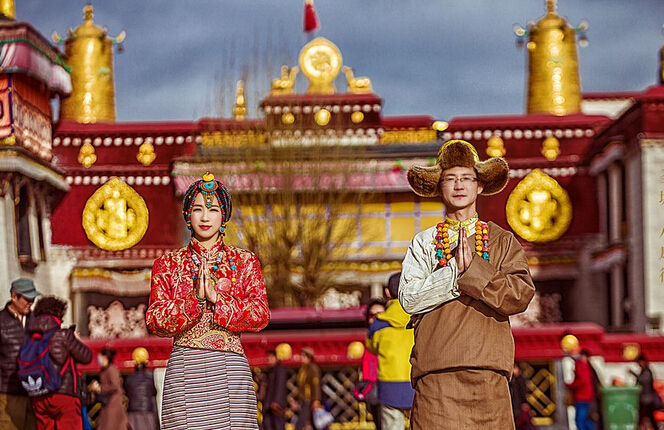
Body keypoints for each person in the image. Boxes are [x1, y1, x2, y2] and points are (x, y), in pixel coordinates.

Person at [399, 139, 536, 429]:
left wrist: (474, 270)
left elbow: (520, 295)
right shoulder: (424, 242)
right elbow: (409, 298)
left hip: (488, 371)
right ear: (439, 187)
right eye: (450, 179)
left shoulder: (502, 240)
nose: (459, 185)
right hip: (436, 373)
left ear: (480, 186)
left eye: (466, 178)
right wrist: (453, 274)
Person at [146, 172, 270, 430]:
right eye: (198, 209)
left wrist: (218, 299)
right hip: (185, 368)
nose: (205, 217)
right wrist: (194, 301)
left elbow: (260, 314)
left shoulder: (244, 261)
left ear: (224, 215)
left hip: (230, 368)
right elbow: (155, 319)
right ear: (187, 214)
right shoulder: (168, 264)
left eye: (213, 210)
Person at [26, 296, 93, 430]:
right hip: (63, 394)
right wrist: (75, 340)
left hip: (38, 395)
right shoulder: (64, 335)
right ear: (59, 314)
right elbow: (87, 357)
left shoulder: (30, 337)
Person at [366, 274, 414, 430]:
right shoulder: (418, 318)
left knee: (392, 424)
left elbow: (371, 347)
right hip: (415, 381)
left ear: (387, 292)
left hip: (389, 384)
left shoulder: (379, 324)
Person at [0, 278, 41, 430]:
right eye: (27, 298)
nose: (31, 302)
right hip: (8, 393)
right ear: (13, 296)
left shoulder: (36, 320)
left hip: (34, 392)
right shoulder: (1, 321)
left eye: (33, 299)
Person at [354, 298, 386, 430]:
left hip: (387, 386)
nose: (375, 318)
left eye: (380, 314)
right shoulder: (369, 337)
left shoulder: (389, 335)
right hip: (372, 389)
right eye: (372, 315)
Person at [90, 348, 128, 430]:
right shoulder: (106, 369)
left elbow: (114, 385)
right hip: (108, 403)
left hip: (113, 404)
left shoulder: (111, 369)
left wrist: (100, 388)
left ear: (106, 358)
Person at [124, 347, 159, 430]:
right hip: (148, 411)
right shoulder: (150, 378)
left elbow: (127, 393)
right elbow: (154, 392)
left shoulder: (129, 379)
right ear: (146, 362)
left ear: (134, 362)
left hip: (133, 412)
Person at [566, 345, 596, 430]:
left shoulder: (580, 364)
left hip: (582, 395)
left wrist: (570, 385)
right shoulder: (585, 364)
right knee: (585, 418)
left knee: (580, 419)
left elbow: (582, 380)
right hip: (587, 394)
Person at [292, 347, 322, 430]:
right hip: (303, 398)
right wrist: (295, 398)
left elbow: (316, 386)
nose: (301, 358)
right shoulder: (303, 369)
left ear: (308, 357)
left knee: (301, 422)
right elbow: (300, 386)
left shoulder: (313, 369)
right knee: (311, 422)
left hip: (308, 399)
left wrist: (316, 400)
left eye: (303, 356)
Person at [630, 354, 659, 430]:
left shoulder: (647, 371)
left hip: (647, 399)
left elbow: (643, 380)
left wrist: (633, 374)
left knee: (646, 416)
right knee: (646, 416)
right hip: (644, 398)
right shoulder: (643, 371)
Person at [263, 349, 288, 430]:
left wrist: (277, 401)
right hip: (269, 405)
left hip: (276, 405)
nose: (269, 359)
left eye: (271, 357)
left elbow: (280, 386)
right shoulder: (271, 370)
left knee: (277, 425)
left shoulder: (280, 370)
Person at [510, 363, 535, 430]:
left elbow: (523, 393)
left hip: (519, 408)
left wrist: (524, 403)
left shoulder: (520, 380)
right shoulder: (509, 381)